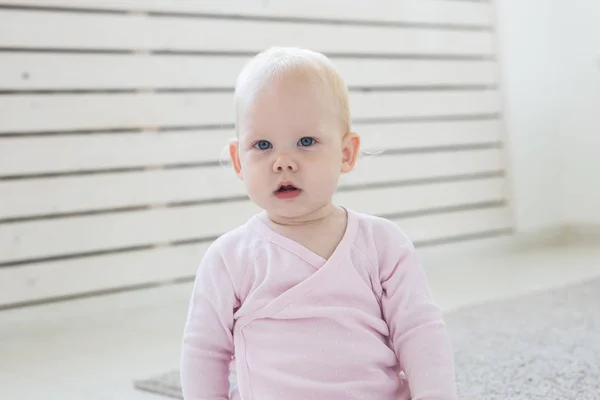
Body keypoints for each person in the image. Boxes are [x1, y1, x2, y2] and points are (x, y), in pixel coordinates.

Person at [180, 46, 458, 400]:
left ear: (346, 153)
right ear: (238, 161)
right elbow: (204, 352)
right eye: (262, 145)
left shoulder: (382, 244)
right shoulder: (230, 258)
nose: (283, 162)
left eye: (306, 142)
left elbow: (420, 331)